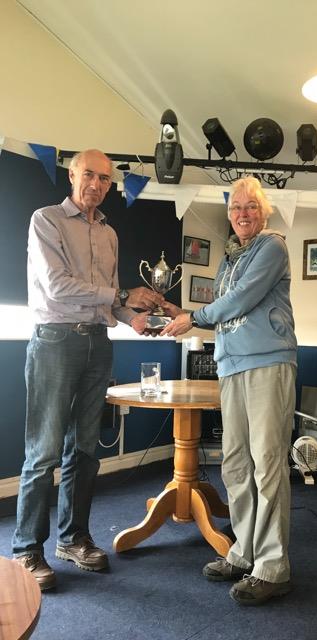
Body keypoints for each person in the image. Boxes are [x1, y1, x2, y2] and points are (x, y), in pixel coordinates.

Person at [12, 149, 163, 591]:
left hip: (99, 343)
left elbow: (105, 302)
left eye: (104, 178)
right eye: (88, 175)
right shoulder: (46, 220)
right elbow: (58, 286)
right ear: (71, 176)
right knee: (43, 452)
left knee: (85, 450)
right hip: (55, 341)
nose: (96, 184)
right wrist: (121, 297)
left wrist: (131, 318)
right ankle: (26, 549)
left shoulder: (111, 234)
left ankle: (73, 539)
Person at [160, 176, 297, 606]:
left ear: (264, 211)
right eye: (236, 207)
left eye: (251, 207)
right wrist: (182, 315)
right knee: (235, 464)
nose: (242, 214)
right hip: (231, 367)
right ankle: (244, 553)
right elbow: (226, 305)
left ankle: (273, 567)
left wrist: (192, 317)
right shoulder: (227, 257)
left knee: (268, 463)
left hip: (268, 363)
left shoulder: (272, 246)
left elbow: (239, 300)